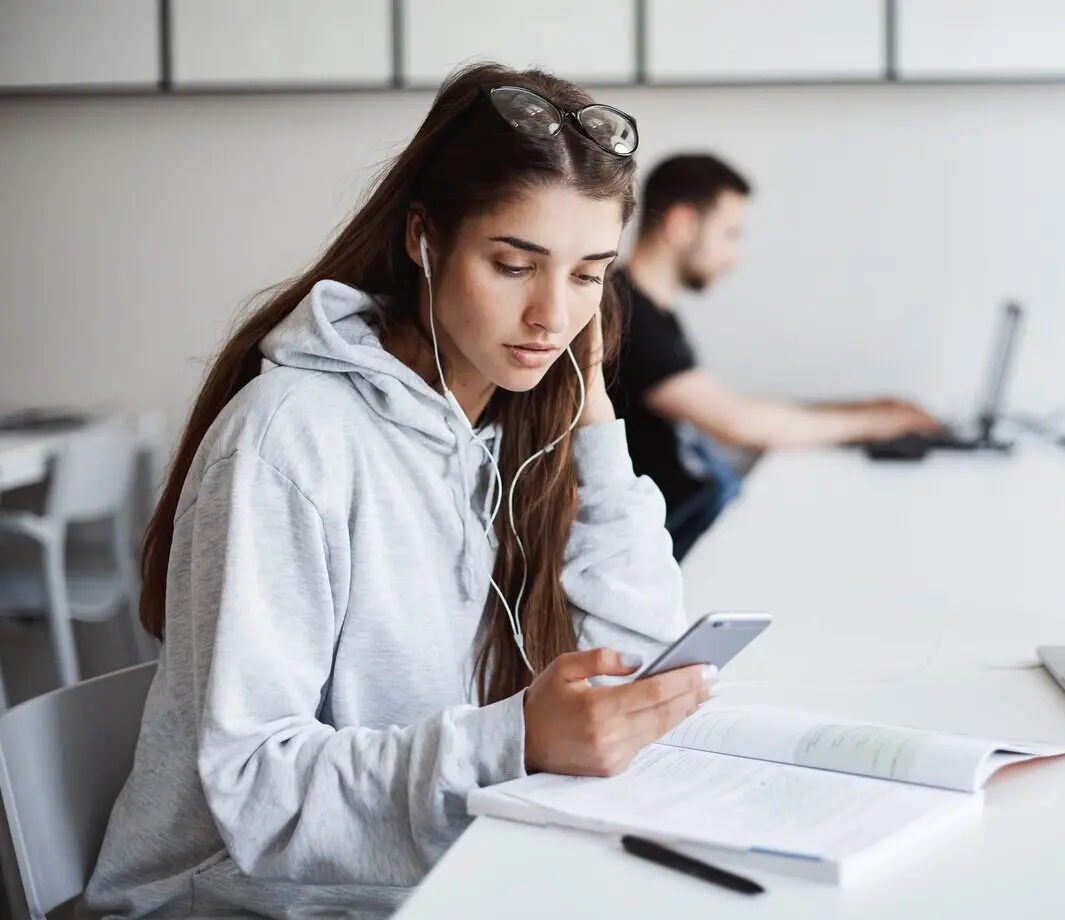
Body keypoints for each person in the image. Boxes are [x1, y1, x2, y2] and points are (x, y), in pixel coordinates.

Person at [80, 65, 713, 920]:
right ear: (424, 239)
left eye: (587, 276)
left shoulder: (516, 425)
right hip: (230, 900)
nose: (550, 317)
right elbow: (254, 788)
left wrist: (599, 429)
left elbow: (636, 679)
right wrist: (513, 740)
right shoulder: (289, 440)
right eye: (514, 264)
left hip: (423, 879)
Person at [608, 154, 943, 559]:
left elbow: (730, 407)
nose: (735, 256)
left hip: (691, 521)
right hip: (671, 540)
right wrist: (876, 422)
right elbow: (735, 422)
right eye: (730, 234)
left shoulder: (655, 313)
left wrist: (868, 410)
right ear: (680, 225)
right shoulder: (625, 314)